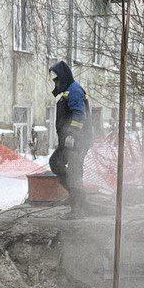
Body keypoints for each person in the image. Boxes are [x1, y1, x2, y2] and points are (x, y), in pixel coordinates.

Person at [48, 60, 92, 215]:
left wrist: (72, 134)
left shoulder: (74, 91)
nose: (56, 82)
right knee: (55, 162)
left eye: (57, 79)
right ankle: (75, 195)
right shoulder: (66, 92)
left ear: (64, 77)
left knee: (74, 171)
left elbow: (79, 115)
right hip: (68, 140)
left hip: (77, 140)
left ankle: (78, 208)